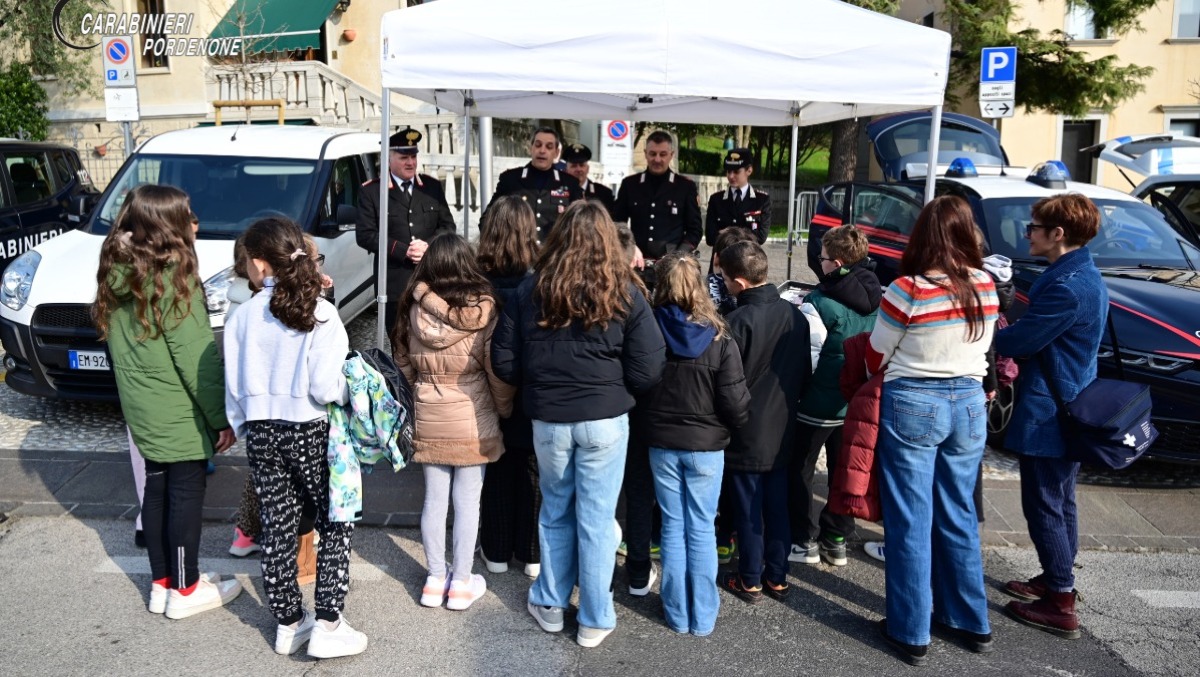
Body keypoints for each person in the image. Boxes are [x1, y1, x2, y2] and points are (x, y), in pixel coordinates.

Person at [492, 200, 666, 648]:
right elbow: (649, 367)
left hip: (549, 419)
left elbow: (505, 362)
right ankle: (594, 616)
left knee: (555, 511)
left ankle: (550, 602)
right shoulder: (624, 290)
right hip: (605, 420)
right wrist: (611, 388)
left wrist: (544, 378)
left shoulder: (531, 289)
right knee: (596, 518)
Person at [92, 184, 241, 619]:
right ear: (167, 225)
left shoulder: (117, 266)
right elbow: (196, 358)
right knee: (185, 495)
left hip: (139, 403)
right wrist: (220, 418)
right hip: (175, 406)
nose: (195, 222)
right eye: (188, 215)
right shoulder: (173, 275)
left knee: (155, 489)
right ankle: (186, 587)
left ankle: (162, 584)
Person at [225, 216, 366, 658]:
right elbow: (326, 387)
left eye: (248, 261)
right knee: (333, 520)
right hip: (310, 427)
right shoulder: (320, 312)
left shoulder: (243, 315)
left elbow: (233, 384)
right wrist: (354, 389)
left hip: (263, 431)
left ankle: (288, 621)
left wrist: (242, 423)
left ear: (262, 265)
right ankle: (328, 621)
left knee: (278, 525)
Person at [867, 196, 999, 666]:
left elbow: (880, 347)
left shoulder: (909, 288)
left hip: (914, 401)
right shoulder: (986, 283)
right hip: (967, 401)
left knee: (910, 518)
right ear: (968, 233)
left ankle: (910, 629)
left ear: (921, 235)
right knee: (958, 511)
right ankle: (969, 620)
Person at [995, 194, 1106, 640]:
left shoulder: (1067, 287)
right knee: (1060, 499)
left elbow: (1018, 341)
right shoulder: (1079, 272)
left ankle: (1060, 600)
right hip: (1070, 402)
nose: (1027, 232)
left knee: (1043, 502)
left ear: (1058, 234)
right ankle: (1057, 577)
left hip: (1052, 409)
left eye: (1034, 226)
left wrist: (991, 321)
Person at [393, 233, 516, 611]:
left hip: (430, 411)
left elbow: (402, 364)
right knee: (468, 503)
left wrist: (422, 394)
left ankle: (433, 579)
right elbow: (495, 371)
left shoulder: (410, 308)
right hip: (472, 415)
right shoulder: (484, 310)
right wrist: (502, 409)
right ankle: (461, 582)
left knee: (434, 500)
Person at [636, 252, 750, 636]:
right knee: (701, 526)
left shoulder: (649, 329)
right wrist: (736, 429)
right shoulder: (719, 336)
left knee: (672, 524)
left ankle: (676, 610)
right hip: (706, 446)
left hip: (662, 442)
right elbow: (735, 402)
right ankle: (701, 616)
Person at [716, 241, 810, 604]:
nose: (722, 283)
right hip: (784, 422)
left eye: (724, 277)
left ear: (739, 282)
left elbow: (727, 382)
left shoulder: (736, 322)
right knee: (777, 504)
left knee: (748, 506)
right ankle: (777, 575)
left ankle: (751, 578)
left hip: (747, 427)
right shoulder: (795, 316)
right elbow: (804, 371)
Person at [790, 225, 880, 567]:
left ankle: (802, 538)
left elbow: (807, 359)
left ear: (837, 263)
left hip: (817, 403)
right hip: (854, 401)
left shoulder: (819, 303)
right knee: (845, 472)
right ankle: (836, 537)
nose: (819, 262)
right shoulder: (878, 298)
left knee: (800, 470)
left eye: (823, 258)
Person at [476, 197, 543, 579]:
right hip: (529, 386)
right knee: (531, 468)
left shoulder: (475, 281)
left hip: (485, 387)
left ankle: (497, 549)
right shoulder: (538, 283)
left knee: (498, 466)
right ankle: (531, 552)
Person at [356, 126, 456, 332]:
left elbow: (448, 227)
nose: (410, 162)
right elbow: (365, 235)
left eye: (413, 156)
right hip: (395, 282)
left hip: (432, 277)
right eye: (404, 157)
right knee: (398, 338)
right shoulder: (373, 191)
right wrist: (404, 251)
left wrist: (428, 246)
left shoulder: (431, 188)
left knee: (434, 335)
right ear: (389, 159)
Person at [612, 130, 703, 277]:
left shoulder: (685, 187)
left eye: (663, 154)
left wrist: (677, 257)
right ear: (645, 153)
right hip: (636, 266)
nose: (657, 159)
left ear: (671, 155)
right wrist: (629, 246)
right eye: (652, 154)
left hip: (671, 270)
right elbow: (616, 222)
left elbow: (695, 230)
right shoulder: (630, 185)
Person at [489, 127, 583, 241]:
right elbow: (488, 219)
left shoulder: (569, 183)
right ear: (531, 148)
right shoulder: (510, 179)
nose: (542, 150)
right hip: (519, 254)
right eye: (538, 145)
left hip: (553, 255)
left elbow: (581, 222)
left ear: (556, 153)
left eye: (549, 147)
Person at [705, 148, 771, 248]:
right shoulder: (716, 200)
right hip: (721, 260)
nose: (731, 176)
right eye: (728, 171)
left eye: (736, 171)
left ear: (749, 170)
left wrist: (726, 233)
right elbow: (710, 238)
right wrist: (745, 234)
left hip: (747, 260)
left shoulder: (761, 200)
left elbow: (761, 237)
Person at [561, 142, 615, 216]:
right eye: (573, 166)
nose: (578, 169)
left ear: (588, 168)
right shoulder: (559, 192)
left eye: (582, 165)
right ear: (566, 170)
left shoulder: (604, 193)